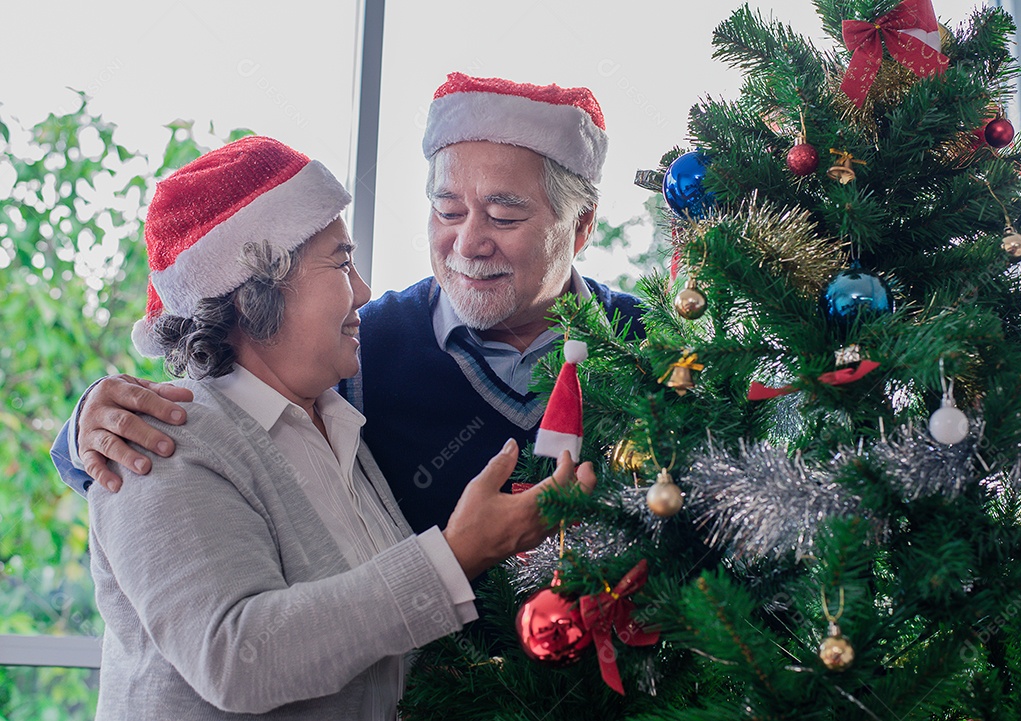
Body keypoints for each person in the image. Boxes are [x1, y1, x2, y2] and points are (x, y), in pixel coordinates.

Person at [85, 135, 596, 719]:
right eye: (340, 262)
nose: (363, 291)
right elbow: (235, 659)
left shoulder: (338, 425)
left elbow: (366, 643)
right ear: (254, 294)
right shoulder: (161, 442)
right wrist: (455, 557)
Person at [52, 72, 644, 536]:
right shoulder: (361, 347)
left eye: (504, 216)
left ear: (581, 225)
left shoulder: (658, 345)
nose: (468, 244)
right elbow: (216, 413)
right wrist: (86, 428)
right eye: (448, 211)